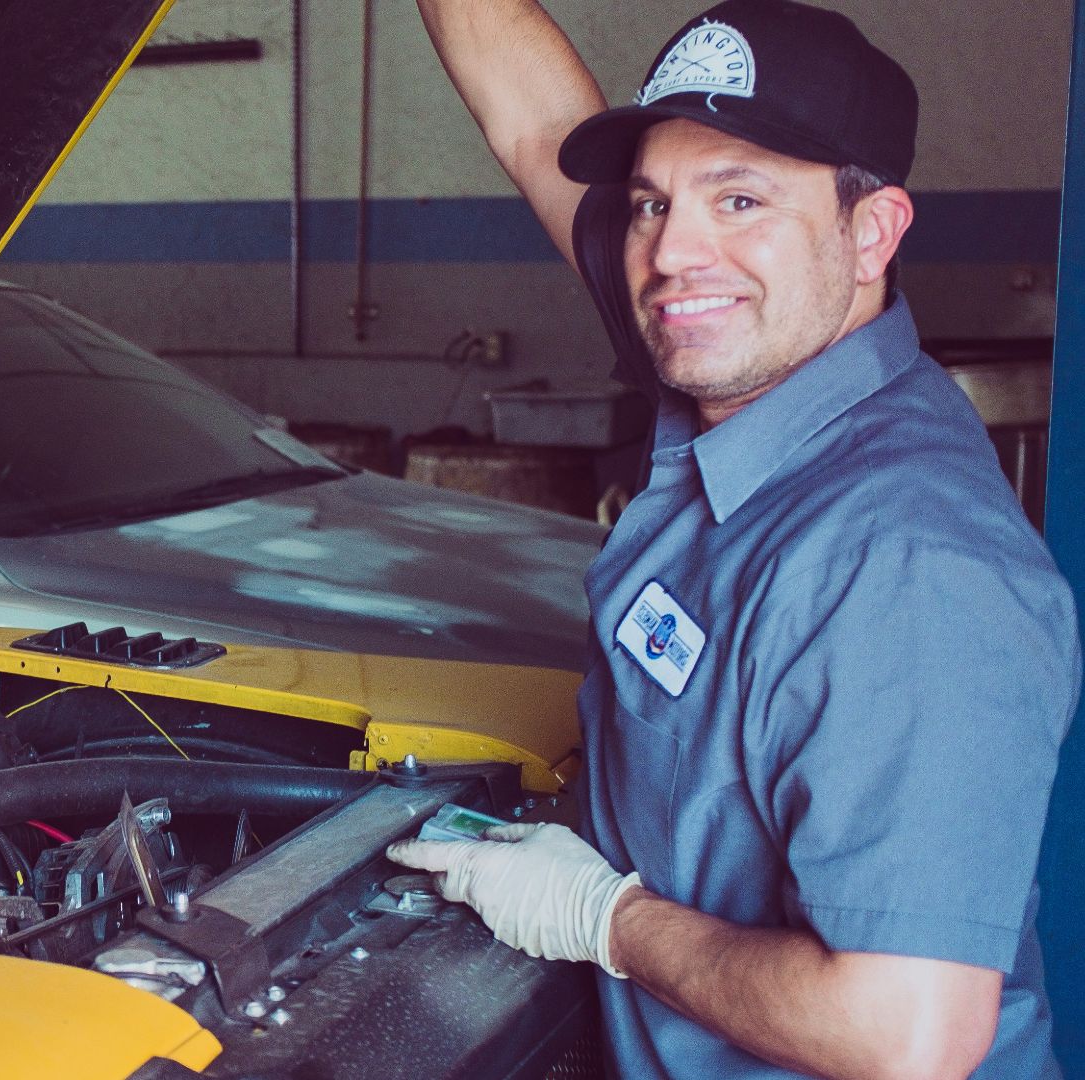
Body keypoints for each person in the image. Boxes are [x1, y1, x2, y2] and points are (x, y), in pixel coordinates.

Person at [390, 1, 1082, 1077]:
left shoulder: (906, 568)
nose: (675, 255)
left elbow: (909, 1035)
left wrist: (603, 917)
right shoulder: (746, 360)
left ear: (872, 233)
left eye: (742, 198)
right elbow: (532, 126)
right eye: (651, 204)